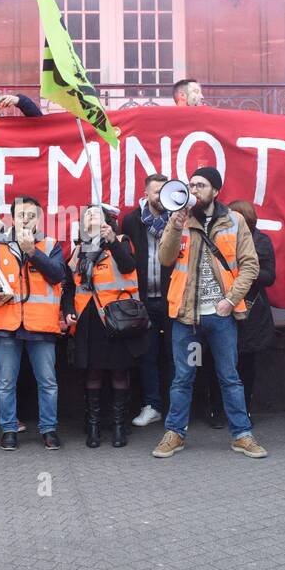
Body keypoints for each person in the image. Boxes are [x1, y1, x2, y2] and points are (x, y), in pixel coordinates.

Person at [154, 166, 264, 459]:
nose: (194, 189)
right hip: (187, 318)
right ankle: (175, 433)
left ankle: (242, 435)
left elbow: (250, 265)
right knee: (183, 377)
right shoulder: (179, 218)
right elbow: (165, 258)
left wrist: (230, 299)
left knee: (229, 376)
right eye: (191, 184)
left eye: (200, 185)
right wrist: (175, 226)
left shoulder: (234, 221)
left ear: (215, 190)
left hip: (220, 317)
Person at [0, 197, 67, 451]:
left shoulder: (49, 245)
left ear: (39, 218)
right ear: (12, 218)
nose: (25, 219)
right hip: (7, 323)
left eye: (31, 215)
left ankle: (49, 429)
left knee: (48, 382)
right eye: (21, 215)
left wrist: (32, 251)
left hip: (41, 326)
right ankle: (8, 430)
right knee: (5, 382)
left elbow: (58, 275)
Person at [62, 204, 145, 448]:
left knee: (119, 371)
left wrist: (112, 242)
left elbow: (129, 267)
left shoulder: (121, 240)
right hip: (87, 319)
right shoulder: (78, 249)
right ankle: (94, 426)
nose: (91, 215)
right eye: (87, 214)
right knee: (93, 372)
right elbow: (69, 286)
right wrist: (68, 312)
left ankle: (119, 426)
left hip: (116, 318)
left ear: (108, 220)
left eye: (96, 212)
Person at [121, 173, 174, 429]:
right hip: (142, 300)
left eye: (165, 192)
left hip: (172, 298)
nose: (162, 197)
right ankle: (152, 405)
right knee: (147, 355)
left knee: (176, 355)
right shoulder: (131, 221)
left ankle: (177, 408)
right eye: (156, 193)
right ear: (146, 195)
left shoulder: (179, 219)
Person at [227, 200, 276, 416]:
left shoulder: (261, 241)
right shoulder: (222, 239)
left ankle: (244, 408)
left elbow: (269, 276)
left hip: (251, 309)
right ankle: (220, 409)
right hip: (225, 306)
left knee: (246, 363)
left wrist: (245, 271)